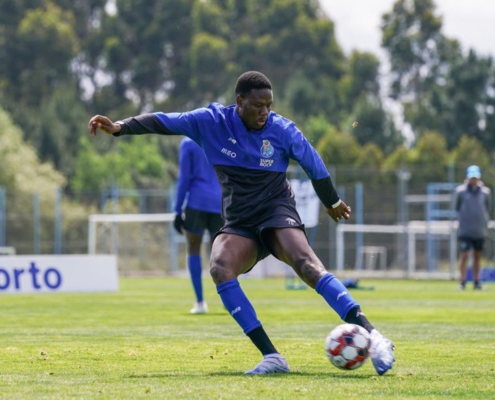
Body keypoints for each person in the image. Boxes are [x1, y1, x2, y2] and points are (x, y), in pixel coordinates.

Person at [88, 71, 395, 376]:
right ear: (239, 102)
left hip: (276, 211)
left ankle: (375, 336)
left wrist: (332, 202)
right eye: (258, 105)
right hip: (240, 220)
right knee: (220, 267)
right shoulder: (210, 122)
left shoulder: (283, 130)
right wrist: (119, 127)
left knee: (307, 265)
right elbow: (164, 121)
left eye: (269, 105)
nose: (265, 111)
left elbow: (315, 167)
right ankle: (272, 357)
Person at [173, 137, 223, 314]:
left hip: (196, 203)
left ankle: (200, 302)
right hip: (219, 203)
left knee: (193, 250)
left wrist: (177, 209)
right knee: (222, 254)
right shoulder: (219, 139)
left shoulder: (188, 143)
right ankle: (229, 299)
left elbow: (184, 177)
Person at [455, 165, 491, 290]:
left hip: (479, 231)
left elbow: (487, 209)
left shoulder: (485, 192)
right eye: (472, 178)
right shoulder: (460, 192)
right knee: (464, 255)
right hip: (465, 230)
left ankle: (477, 282)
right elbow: (457, 208)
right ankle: (462, 282)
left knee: (477, 256)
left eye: (475, 178)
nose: (474, 180)